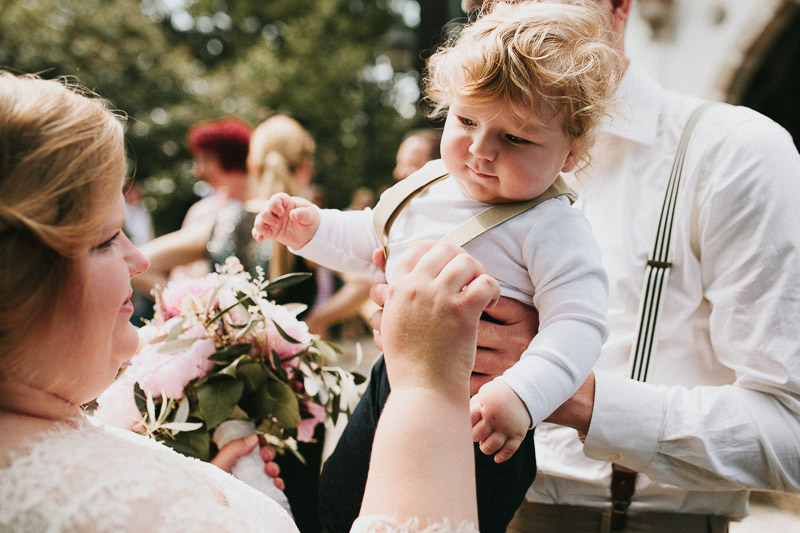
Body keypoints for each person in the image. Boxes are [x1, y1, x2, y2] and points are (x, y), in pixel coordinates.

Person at [0, 71, 495, 533]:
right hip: (298, 397)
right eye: (108, 238)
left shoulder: (230, 224)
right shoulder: (305, 229)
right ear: (22, 279)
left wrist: (207, 490)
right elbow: (368, 277)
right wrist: (427, 386)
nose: (137, 260)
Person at [423, 0, 800, 531]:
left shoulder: (733, 152)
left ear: (620, 5)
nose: (496, 11)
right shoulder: (463, 164)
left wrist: (567, 392)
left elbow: (792, 430)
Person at [252, 3, 621, 531]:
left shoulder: (552, 227)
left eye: (514, 138)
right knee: (340, 497)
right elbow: (370, 239)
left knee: (443, 519)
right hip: (390, 383)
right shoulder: (428, 183)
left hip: (476, 413)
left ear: (570, 153)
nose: (479, 149)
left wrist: (522, 395)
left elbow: (578, 326)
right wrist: (307, 229)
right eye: (466, 120)